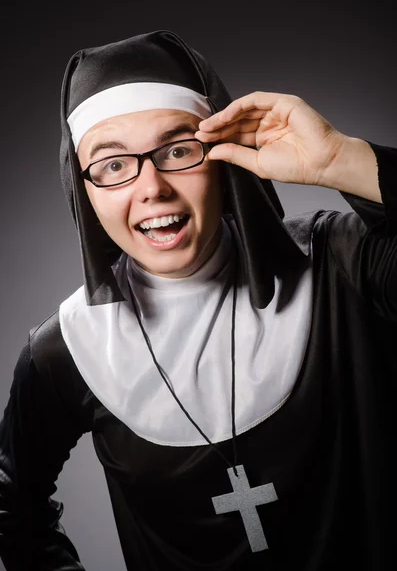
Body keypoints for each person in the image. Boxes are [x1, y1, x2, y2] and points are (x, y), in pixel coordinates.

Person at [0, 29, 396, 571]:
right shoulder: (64, 349)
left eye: (179, 150)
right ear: (83, 187)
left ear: (222, 157)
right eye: (112, 164)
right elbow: (13, 508)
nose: (152, 187)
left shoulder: (341, 263)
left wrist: (341, 161)